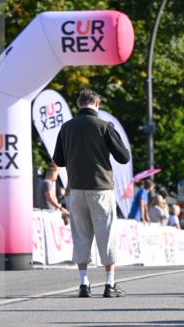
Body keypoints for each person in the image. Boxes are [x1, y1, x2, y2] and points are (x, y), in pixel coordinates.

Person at [53, 88, 131, 297]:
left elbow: (58, 160)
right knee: (106, 235)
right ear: (97, 104)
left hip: (76, 189)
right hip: (101, 189)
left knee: (80, 235)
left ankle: (83, 284)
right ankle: (109, 284)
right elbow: (123, 157)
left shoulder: (66, 127)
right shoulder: (104, 126)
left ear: (79, 104)